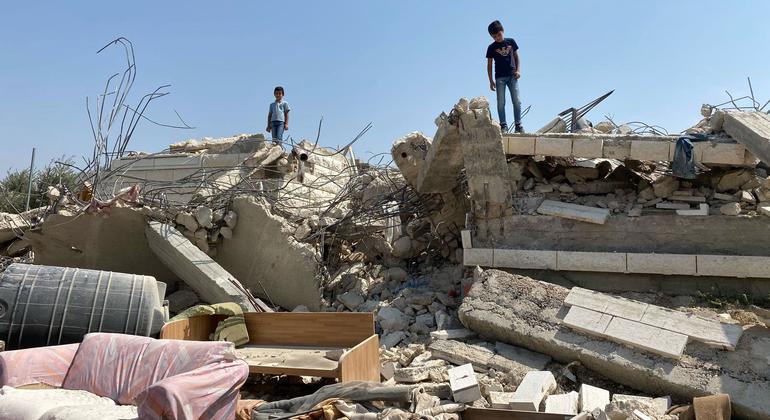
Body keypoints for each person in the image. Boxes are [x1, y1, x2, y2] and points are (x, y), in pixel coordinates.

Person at [486, 20, 523, 133]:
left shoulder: (511, 42)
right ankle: (503, 125)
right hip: (500, 78)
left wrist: (518, 70)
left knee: (517, 100)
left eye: (499, 35)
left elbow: (517, 57)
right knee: (501, 102)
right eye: (494, 37)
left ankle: (518, 125)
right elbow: (489, 64)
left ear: (503, 31)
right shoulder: (491, 47)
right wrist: (491, 81)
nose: (497, 38)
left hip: (512, 76)